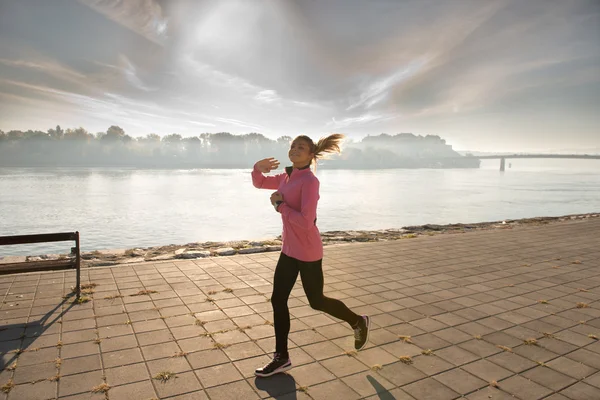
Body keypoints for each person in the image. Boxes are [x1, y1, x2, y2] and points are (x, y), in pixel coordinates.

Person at [251, 133, 370, 378]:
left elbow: (306, 222)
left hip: (307, 251)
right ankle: (281, 357)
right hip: (289, 250)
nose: (295, 149)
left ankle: (357, 321)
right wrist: (257, 168)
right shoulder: (286, 176)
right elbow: (260, 183)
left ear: (310, 155)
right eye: (293, 146)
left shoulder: (310, 181)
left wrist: (280, 206)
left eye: (301, 147)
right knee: (277, 299)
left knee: (316, 301)